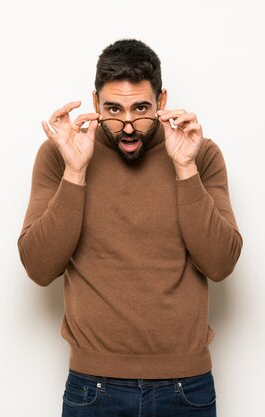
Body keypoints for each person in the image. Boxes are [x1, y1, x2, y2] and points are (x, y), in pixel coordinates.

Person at [17, 39, 243, 417]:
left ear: (161, 99)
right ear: (94, 103)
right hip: (94, 386)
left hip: (186, 387)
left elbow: (220, 264)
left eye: (141, 109)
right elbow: (39, 268)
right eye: (113, 109)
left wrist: (185, 168)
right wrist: (75, 171)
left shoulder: (200, 153)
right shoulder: (62, 155)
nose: (127, 126)